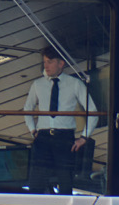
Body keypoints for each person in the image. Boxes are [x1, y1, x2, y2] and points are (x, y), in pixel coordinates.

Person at [23, 47, 97, 194]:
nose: (46, 66)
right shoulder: (38, 84)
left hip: (64, 136)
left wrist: (84, 137)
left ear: (61, 63)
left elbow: (93, 111)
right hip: (43, 136)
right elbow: (27, 109)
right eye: (44, 62)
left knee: (65, 180)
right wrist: (33, 130)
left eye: (50, 62)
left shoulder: (75, 83)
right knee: (36, 180)